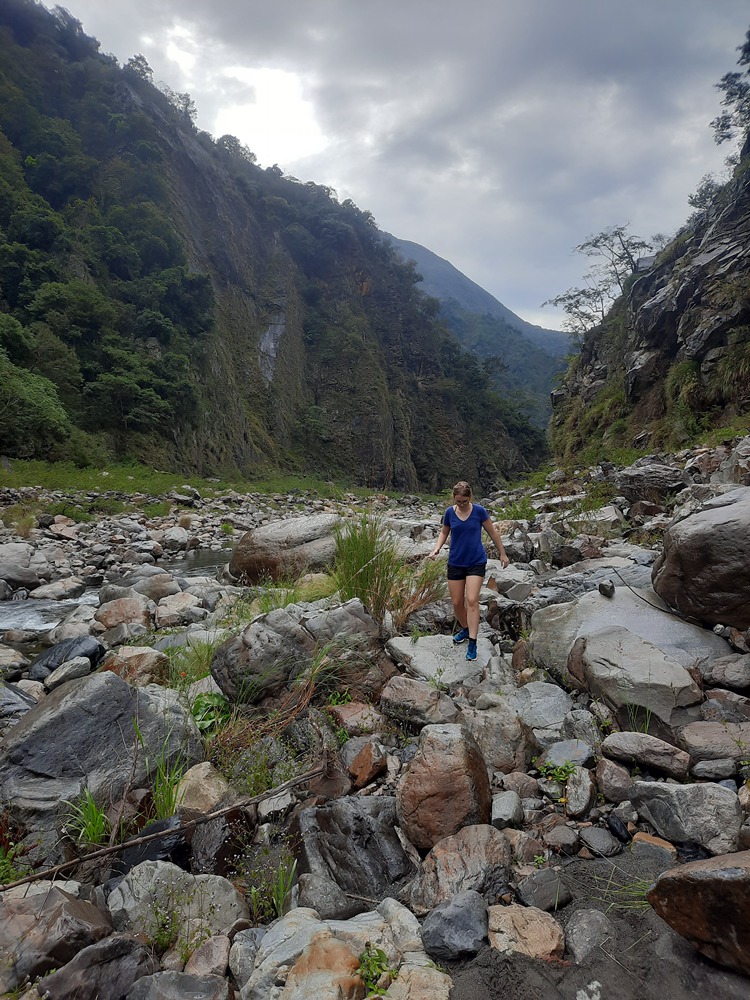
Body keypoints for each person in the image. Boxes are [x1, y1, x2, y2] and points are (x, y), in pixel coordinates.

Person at [428, 481, 509, 661]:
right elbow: (444, 532)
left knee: (471, 600)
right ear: (454, 499)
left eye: (464, 501)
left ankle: (472, 642)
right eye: (458, 502)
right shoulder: (450, 513)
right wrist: (436, 548)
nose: (462, 504)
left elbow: (493, 533)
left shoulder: (479, 511)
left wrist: (503, 553)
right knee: (457, 602)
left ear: (469, 498)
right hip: (456, 562)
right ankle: (465, 628)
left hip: (475, 562)